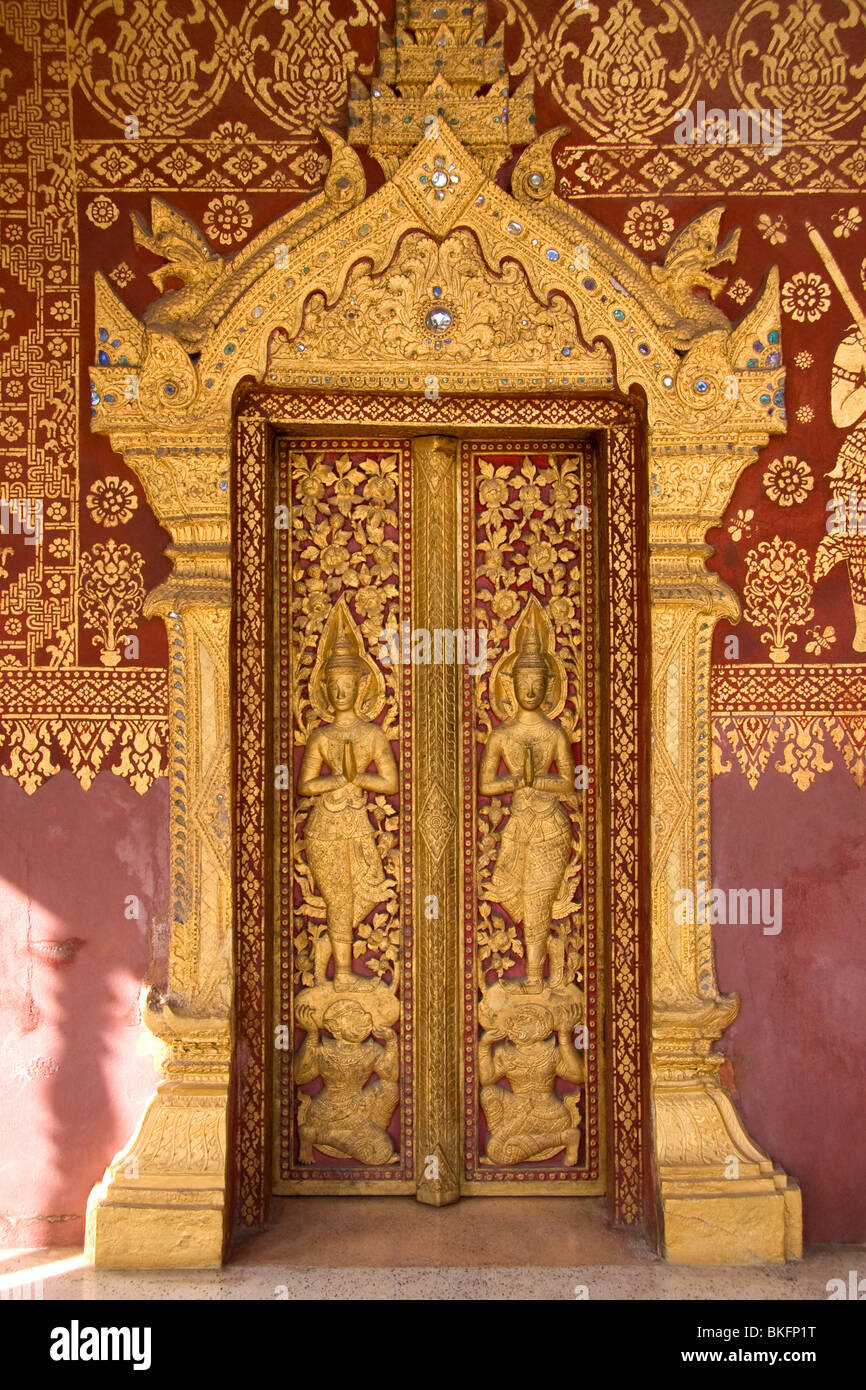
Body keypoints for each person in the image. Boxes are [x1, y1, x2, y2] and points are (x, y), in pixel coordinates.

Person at [298, 630, 398, 989]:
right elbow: (305, 786)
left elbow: (390, 783)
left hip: (358, 825)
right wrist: (341, 779)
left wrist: (360, 778)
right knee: (340, 899)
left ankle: (328, 958)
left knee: (368, 893)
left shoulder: (372, 735)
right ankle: (341, 974)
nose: (341, 692)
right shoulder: (321, 737)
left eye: (347, 684)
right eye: (335, 685)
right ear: (325, 688)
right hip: (326, 827)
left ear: (360, 686)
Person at [479, 625, 575, 992]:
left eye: (538, 681)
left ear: (549, 686)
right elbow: (488, 785)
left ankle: (535, 979)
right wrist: (519, 781)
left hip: (550, 825)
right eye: (524, 680)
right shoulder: (502, 735)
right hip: (519, 826)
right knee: (508, 892)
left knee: (536, 898)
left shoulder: (554, 734)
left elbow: (567, 782)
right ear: (512, 686)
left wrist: (537, 782)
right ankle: (550, 946)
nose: (531, 688)